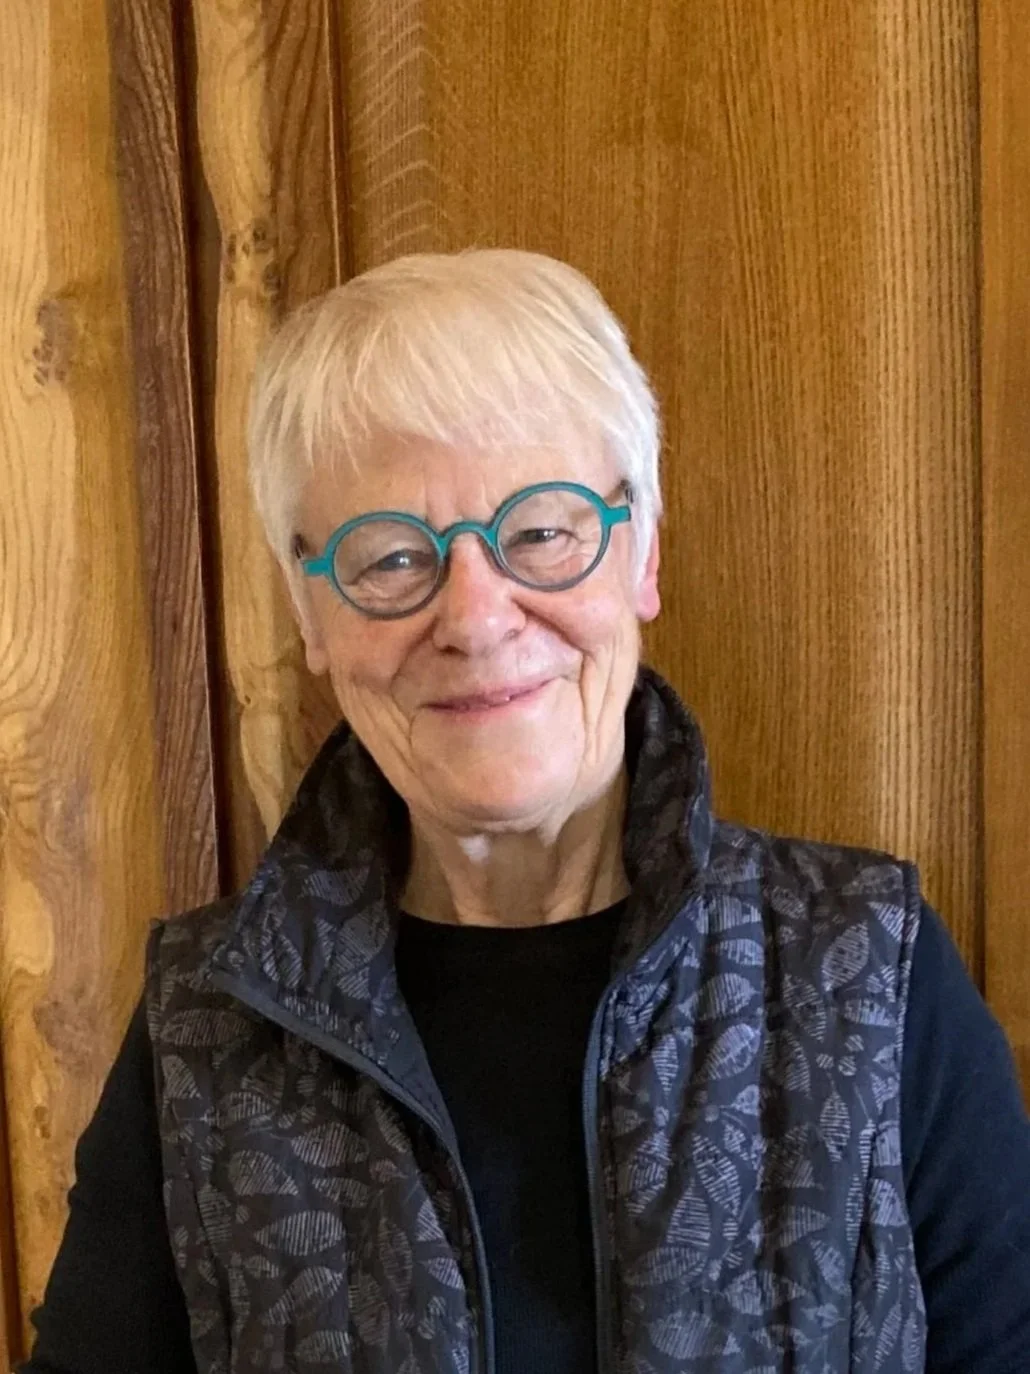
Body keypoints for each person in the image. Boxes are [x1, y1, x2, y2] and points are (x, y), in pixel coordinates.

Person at [21, 249, 1030, 1374]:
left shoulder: (866, 972)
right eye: (391, 557)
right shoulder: (207, 1027)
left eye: (542, 533)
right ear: (311, 616)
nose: (475, 616)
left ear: (640, 554)